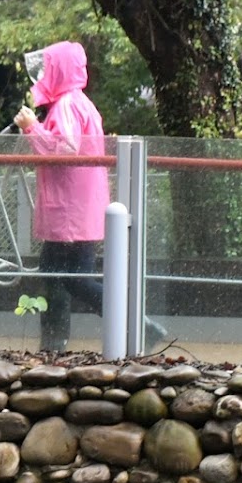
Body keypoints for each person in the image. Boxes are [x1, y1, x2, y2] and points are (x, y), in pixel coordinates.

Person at [14, 41, 167, 353]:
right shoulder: (81, 103)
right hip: (80, 209)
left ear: (59, 70)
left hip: (68, 212)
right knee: (66, 276)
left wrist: (32, 128)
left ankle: (62, 341)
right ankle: (132, 325)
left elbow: (66, 148)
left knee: (64, 277)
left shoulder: (67, 105)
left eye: (48, 68)